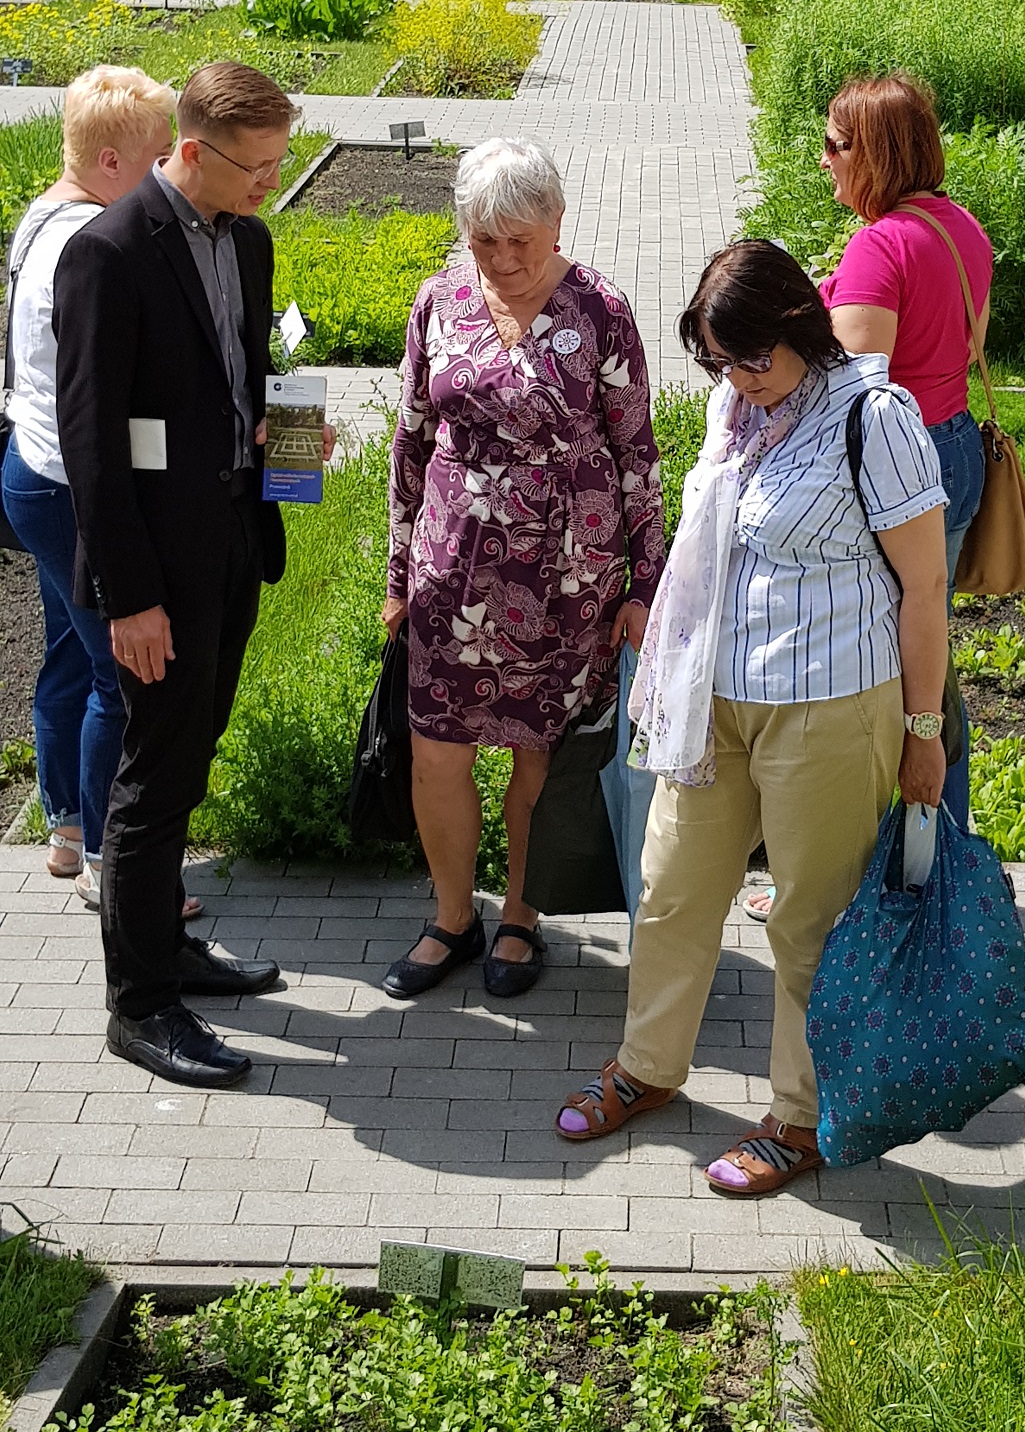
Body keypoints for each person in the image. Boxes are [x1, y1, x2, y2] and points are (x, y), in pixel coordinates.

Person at [554, 241, 949, 1199]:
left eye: (752, 357)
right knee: (673, 886)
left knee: (810, 918)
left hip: (831, 704)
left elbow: (926, 587)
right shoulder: (735, 407)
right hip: (716, 697)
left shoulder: (875, 417)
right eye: (720, 361)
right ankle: (649, 1067)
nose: (737, 378)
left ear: (800, 326)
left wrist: (923, 731)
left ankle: (800, 1119)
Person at [53, 61, 332, 1089]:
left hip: (231, 543)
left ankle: (167, 948)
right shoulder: (108, 254)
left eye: (280, 161)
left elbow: (234, 379)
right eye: (257, 166)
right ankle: (139, 1006)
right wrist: (129, 599)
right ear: (192, 151)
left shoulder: (247, 241)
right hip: (154, 575)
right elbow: (91, 444)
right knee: (153, 773)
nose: (271, 181)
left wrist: (280, 435)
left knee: (191, 750)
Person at [382, 137, 665, 1000]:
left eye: (520, 241)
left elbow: (637, 453)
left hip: (567, 583)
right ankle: (451, 918)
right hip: (451, 575)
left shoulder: (600, 310)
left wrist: (644, 587)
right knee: (438, 755)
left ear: (557, 222)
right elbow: (409, 441)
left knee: (537, 758)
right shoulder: (438, 301)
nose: (502, 259)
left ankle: (520, 915)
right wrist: (397, 574)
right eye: (484, 240)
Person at [2, 66, 197, 912]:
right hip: (70, 486)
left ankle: (66, 829)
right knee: (122, 677)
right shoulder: (93, 244)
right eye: (158, 157)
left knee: (69, 656)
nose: (167, 172)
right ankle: (110, 864)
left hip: (30, 470)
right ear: (112, 161)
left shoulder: (42, 216)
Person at [817, 72, 993, 828]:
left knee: (874, 665)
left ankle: (872, 853)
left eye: (835, 144)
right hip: (954, 444)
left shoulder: (878, 246)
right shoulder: (963, 229)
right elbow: (970, 345)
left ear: (875, 153)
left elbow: (854, 393)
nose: (824, 158)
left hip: (894, 471)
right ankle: (941, 840)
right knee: (930, 656)